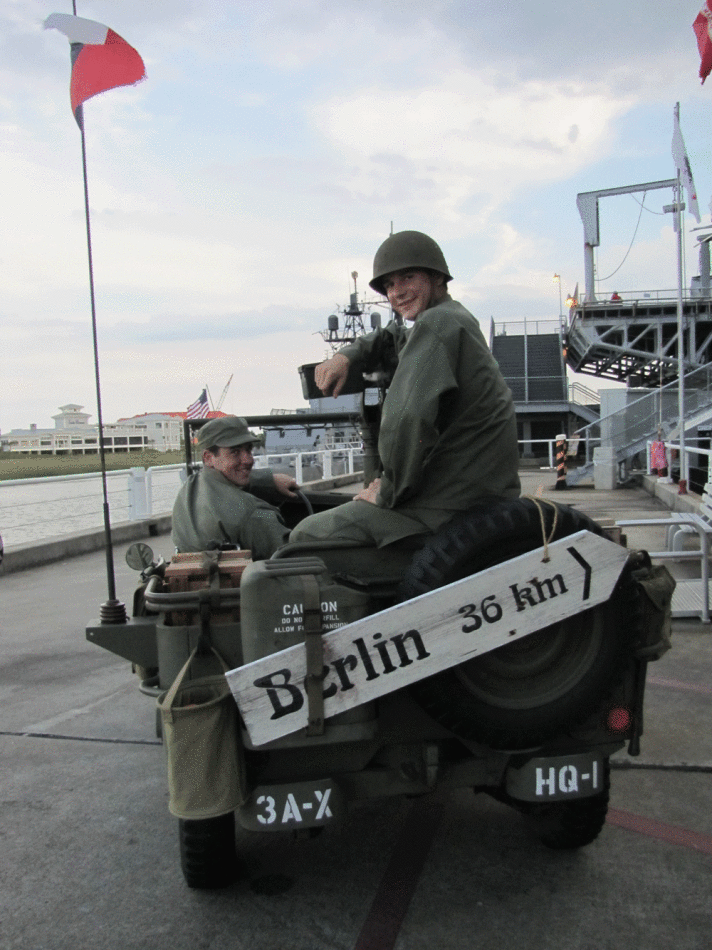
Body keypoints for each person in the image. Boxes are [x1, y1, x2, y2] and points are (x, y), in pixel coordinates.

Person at [290, 229, 521, 549]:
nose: (396, 292)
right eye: (389, 285)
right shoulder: (454, 318)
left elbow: (406, 418)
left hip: (451, 505)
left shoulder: (435, 325)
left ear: (436, 277)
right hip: (483, 493)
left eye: (407, 277)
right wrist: (348, 355)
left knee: (306, 534)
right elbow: (392, 339)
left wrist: (387, 490)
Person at [172, 415, 297, 559]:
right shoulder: (253, 513)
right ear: (208, 458)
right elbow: (294, 556)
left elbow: (226, 475)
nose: (248, 460)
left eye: (248, 450)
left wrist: (269, 479)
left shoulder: (190, 488)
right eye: (235, 452)